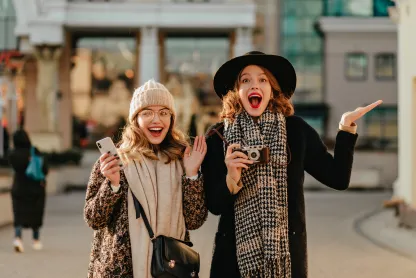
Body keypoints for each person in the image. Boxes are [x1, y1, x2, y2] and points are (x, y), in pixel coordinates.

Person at [201, 51, 383, 278]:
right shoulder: (219, 137)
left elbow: (338, 179)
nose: (254, 85)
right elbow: (214, 206)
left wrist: (346, 129)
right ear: (236, 92)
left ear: (272, 89)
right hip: (232, 263)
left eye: (262, 80)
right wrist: (231, 177)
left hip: (287, 261)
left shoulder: (296, 131)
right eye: (245, 80)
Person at [84, 79, 208, 277]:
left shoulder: (182, 160)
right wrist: (112, 185)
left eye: (163, 112)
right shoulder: (115, 160)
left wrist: (192, 174)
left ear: (171, 119)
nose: (156, 120)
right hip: (123, 271)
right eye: (147, 112)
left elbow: (195, 220)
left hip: (170, 269)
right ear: (135, 119)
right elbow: (93, 219)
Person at [8, 129, 48, 253]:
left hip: (19, 188)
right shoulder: (34, 151)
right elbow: (44, 169)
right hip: (35, 189)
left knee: (18, 214)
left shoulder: (13, 154)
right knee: (35, 214)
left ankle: (18, 238)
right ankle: (36, 240)